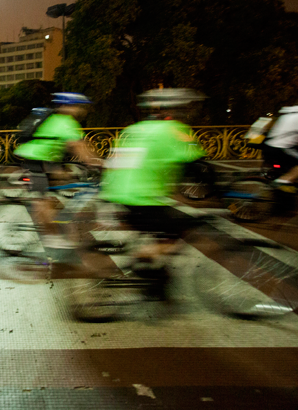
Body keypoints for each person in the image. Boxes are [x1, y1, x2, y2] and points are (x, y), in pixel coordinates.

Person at [101, 88, 206, 300]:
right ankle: (138, 263)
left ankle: (153, 273)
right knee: (177, 232)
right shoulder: (175, 130)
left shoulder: (132, 130)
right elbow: (198, 166)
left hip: (116, 194)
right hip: (142, 199)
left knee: (156, 229)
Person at [13, 92, 101, 248]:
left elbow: (79, 146)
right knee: (43, 200)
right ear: (66, 107)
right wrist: (96, 162)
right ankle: (50, 236)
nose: (80, 110)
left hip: (46, 159)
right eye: (77, 107)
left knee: (60, 182)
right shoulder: (65, 122)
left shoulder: (60, 120)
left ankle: (53, 216)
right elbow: (78, 146)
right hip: (36, 159)